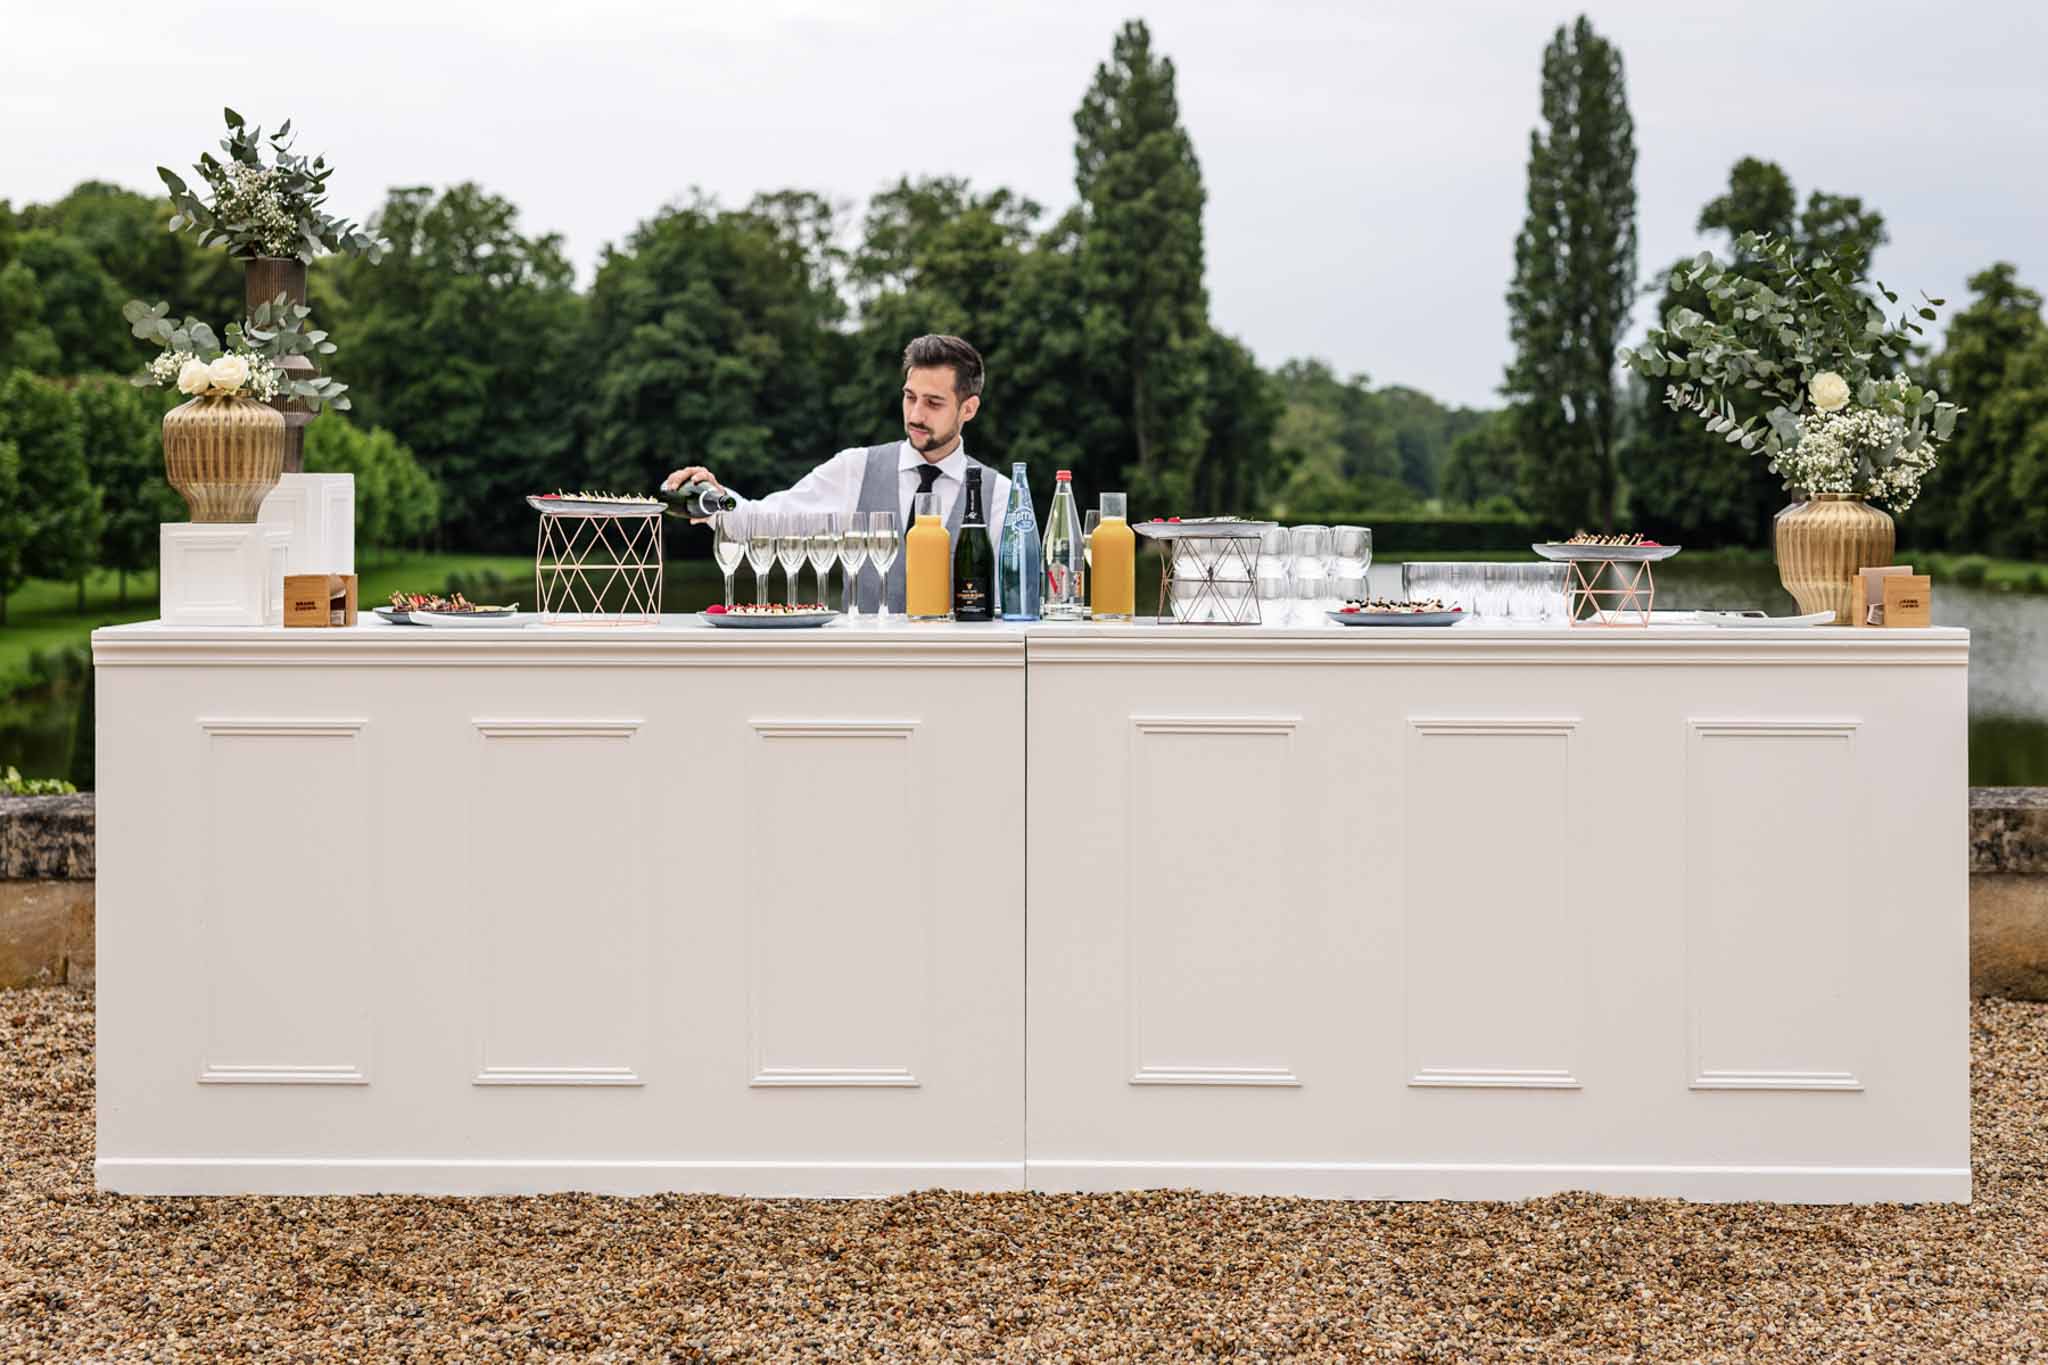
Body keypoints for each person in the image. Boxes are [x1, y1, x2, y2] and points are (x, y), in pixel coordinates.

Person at [663, 334, 1011, 614]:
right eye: (909, 397)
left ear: (969, 408)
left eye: (933, 403)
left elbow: (1008, 606)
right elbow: (765, 521)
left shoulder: (1001, 495)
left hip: (956, 676)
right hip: (860, 671)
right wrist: (716, 497)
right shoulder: (855, 469)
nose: (916, 414)